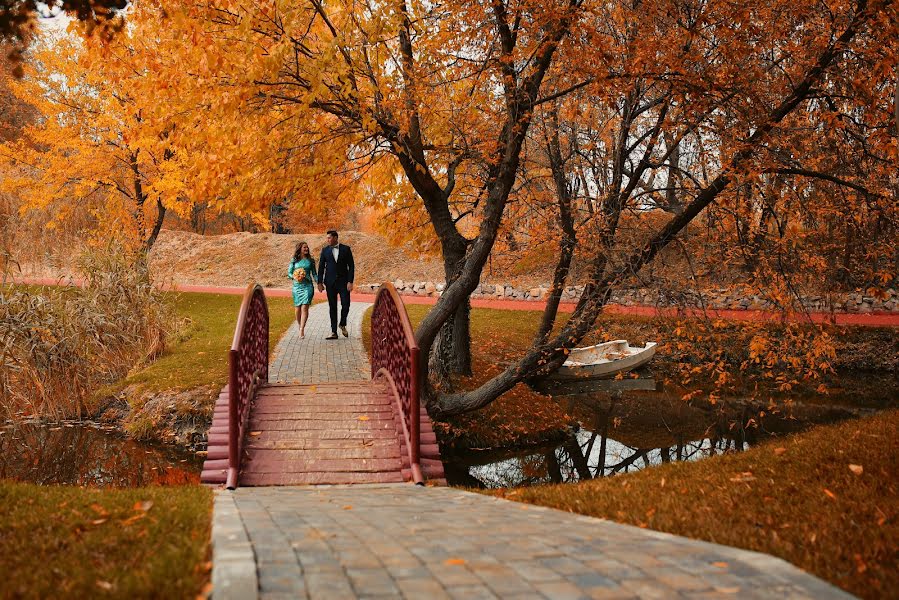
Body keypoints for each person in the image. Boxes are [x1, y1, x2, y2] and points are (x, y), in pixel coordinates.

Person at [316, 229, 354, 339]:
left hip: (343, 282)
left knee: (346, 304)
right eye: (327, 238)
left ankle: (342, 323)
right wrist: (319, 282)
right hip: (330, 283)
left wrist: (350, 281)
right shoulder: (325, 251)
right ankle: (333, 332)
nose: (327, 239)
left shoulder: (346, 249)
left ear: (335, 238)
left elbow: (351, 266)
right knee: (332, 307)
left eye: (329, 237)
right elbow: (321, 267)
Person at [288, 241, 317, 338]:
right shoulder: (294, 260)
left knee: (305, 307)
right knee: (297, 309)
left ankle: (302, 329)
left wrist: (319, 282)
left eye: (307, 247)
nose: (306, 249)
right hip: (297, 287)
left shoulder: (311, 261)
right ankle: (300, 325)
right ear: (300, 248)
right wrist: (295, 276)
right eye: (304, 247)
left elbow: (314, 274)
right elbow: (289, 273)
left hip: (308, 286)